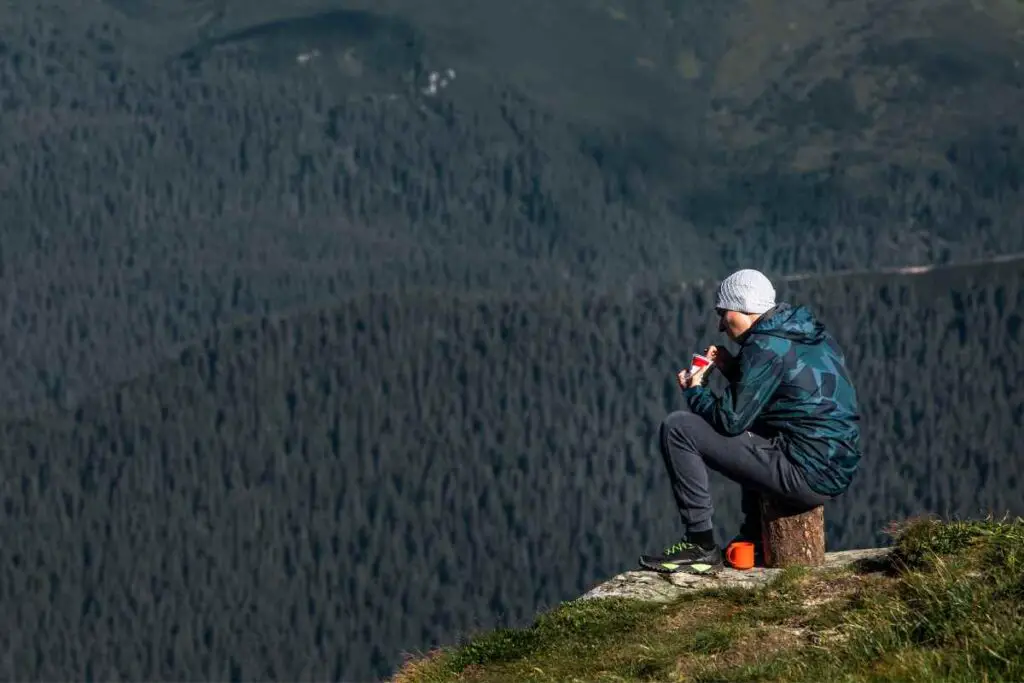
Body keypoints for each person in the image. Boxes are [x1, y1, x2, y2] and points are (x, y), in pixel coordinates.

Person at [638, 268, 861, 573]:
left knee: (677, 429)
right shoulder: (802, 332)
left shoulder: (765, 346)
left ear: (742, 307)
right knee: (757, 426)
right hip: (835, 463)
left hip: (807, 473)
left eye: (723, 313)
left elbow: (730, 421)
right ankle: (754, 536)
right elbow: (784, 395)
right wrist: (733, 368)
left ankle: (700, 545)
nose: (720, 325)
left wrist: (696, 390)